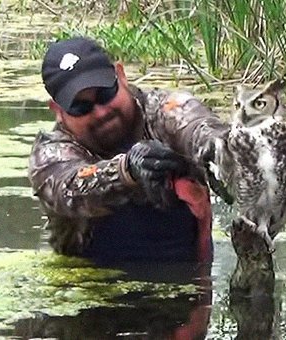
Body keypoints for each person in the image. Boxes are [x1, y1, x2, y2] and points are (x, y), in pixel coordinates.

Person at [28, 36, 228, 264]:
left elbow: (200, 128)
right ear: (57, 110)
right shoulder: (50, 155)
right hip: (89, 286)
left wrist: (222, 152)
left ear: (121, 76)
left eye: (105, 93)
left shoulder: (166, 113)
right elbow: (69, 188)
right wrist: (128, 171)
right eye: (80, 107)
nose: (101, 112)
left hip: (185, 277)